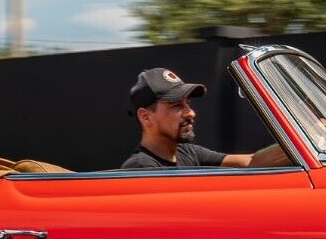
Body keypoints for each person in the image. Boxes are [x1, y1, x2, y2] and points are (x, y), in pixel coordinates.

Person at [120, 68, 290, 169]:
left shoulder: (188, 153)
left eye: (187, 104)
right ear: (146, 117)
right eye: (176, 106)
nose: (190, 113)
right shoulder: (141, 168)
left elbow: (252, 162)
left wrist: (309, 137)